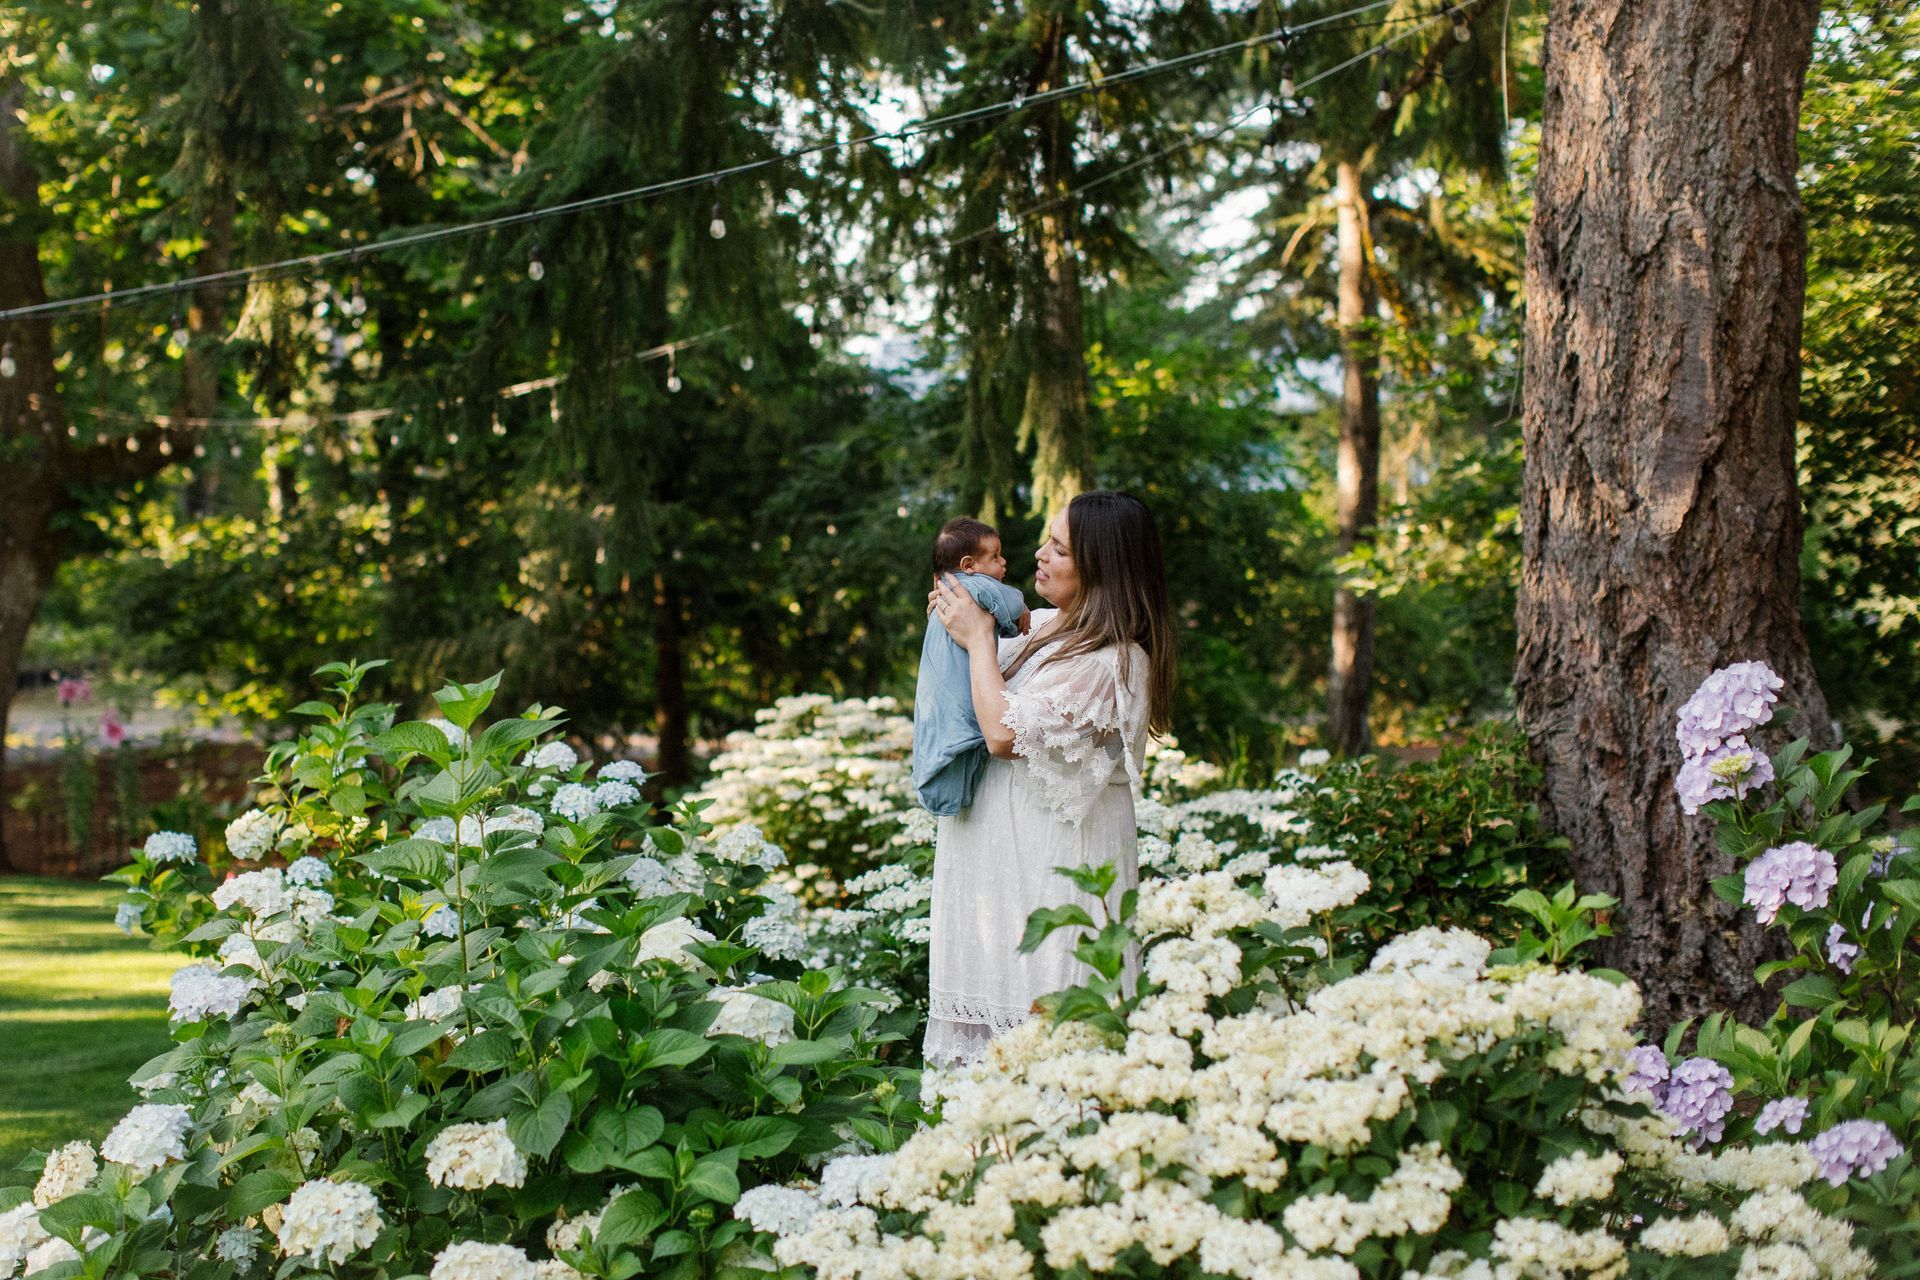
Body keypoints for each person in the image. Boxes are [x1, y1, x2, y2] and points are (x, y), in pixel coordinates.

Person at [923, 490, 1176, 1067]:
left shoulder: (1113, 660)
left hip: (1050, 873)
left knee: (1053, 1044)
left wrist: (980, 639)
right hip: (991, 864)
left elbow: (1003, 735)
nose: (1038, 554)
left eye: (1058, 549)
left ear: (1103, 568)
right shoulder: (1044, 628)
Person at [911, 517, 1031, 817]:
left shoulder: (949, 594)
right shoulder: (974, 586)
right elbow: (1011, 604)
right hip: (960, 691)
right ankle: (951, 800)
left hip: (936, 690)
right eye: (995, 556)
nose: (1004, 562)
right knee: (962, 737)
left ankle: (947, 800)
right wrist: (1022, 609)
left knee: (945, 741)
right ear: (968, 564)